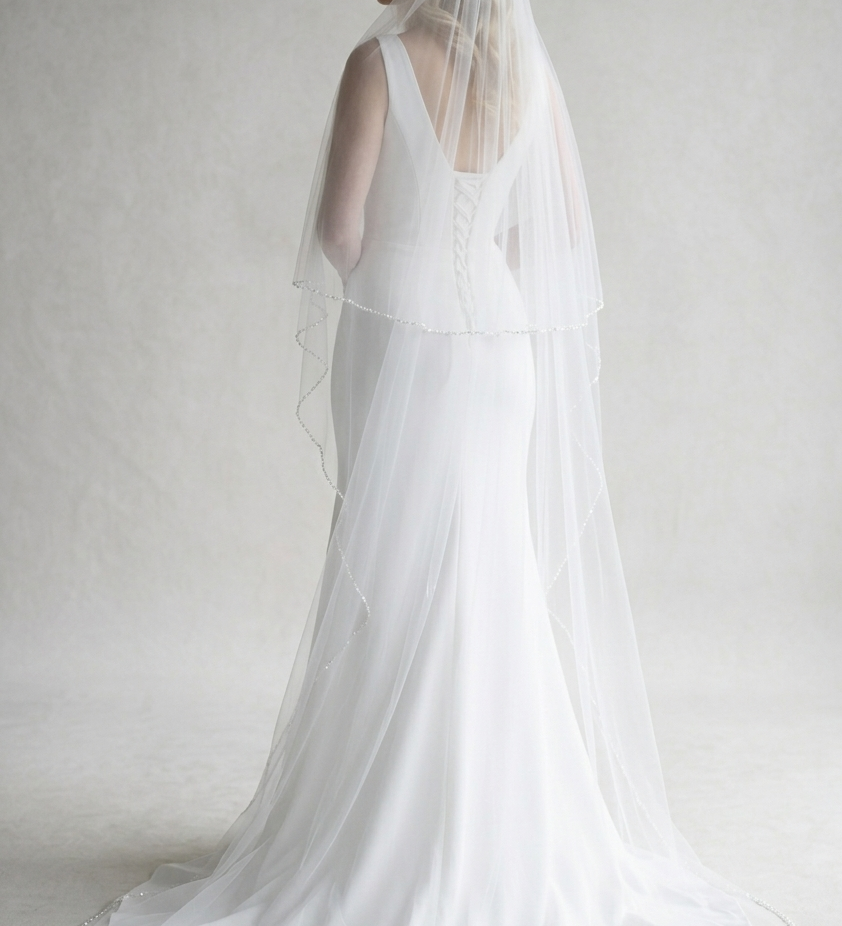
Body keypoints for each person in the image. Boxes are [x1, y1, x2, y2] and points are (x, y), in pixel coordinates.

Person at [81, 1, 794, 924]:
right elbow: (564, 230)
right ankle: (507, 818)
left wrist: (404, 258)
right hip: (502, 352)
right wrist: (485, 253)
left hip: (403, 343)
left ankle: (386, 819)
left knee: (396, 569)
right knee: (492, 575)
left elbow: (341, 231)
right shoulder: (525, 73)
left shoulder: (376, 61)